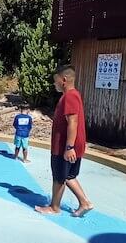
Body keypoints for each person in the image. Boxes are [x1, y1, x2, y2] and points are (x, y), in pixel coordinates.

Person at [36, 64, 93, 217]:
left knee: (59, 177)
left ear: (64, 80)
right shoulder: (74, 95)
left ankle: (54, 208)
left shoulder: (69, 96)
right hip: (72, 145)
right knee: (69, 176)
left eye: (55, 81)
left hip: (65, 146)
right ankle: (84, 203)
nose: (54, 84)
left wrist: (69, 147)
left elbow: (72, 122)